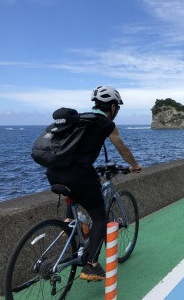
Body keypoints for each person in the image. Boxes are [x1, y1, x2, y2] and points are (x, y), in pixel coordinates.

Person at [45, 85, 142, 281]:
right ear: (113, 107)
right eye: (117, 108)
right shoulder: (106, 124)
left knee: (80, 191)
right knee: (99, 218)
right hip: (78, 174)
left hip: (53, 172)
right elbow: (123, 150)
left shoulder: (79, 119)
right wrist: (135, 165)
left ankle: (70, 222)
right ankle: (91, 266)